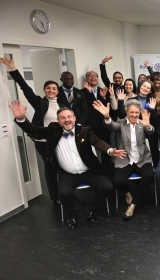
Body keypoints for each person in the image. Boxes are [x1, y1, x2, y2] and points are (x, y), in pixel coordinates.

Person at [9, 101, 126, 229]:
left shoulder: (85, 131)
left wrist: (110, 150)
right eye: (63, 118)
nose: (67, 120)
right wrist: (21, 118)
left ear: (74, 118)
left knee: (107, 187)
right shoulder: (53, 131)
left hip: (89, 171)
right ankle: (72, 215)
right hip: (67, 174)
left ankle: (90, 208)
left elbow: (98, 143)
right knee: (64, 193)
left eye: (69, 117)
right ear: (58, 121)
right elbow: (33, 130)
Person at [0, 57, 65, 205]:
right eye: (48, 88)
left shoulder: (62, 104)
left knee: (62, 166)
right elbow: (25, 88)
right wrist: (13, 69)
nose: (51, 90)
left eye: (54, 88)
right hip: (45, 142)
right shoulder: (40, 103)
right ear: (44, 90)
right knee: (50, 169)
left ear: (58, 91)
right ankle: (56, 197)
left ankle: (65, 192)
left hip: (61, 141)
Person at [94, 99, 155, 220]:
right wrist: (107, 117)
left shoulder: (142, 123)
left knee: (149, 175)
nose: (134, 115)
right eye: (131, 112)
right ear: (127, 112)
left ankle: (133, 204)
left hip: (142, 159)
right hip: (125, 159)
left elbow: (151, 132)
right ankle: (127, 191)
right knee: (117, 181)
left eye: (136, 112)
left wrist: (147, 125)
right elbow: (111, 125)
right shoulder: (121, 123)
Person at [81, 71, 112, 172]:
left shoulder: (103, 90)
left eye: (95, 76)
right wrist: (90, 93)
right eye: (90, 76)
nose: (93, 77)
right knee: (89, 151)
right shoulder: (81, 92)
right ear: (86, 79)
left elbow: (108, 106)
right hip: (89, 126)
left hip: (103, 126)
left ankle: (107, 173)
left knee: (106, 150)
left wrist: (103, 97)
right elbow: (86, 107)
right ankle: (96, 172)